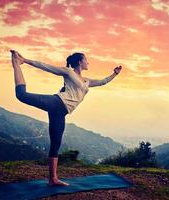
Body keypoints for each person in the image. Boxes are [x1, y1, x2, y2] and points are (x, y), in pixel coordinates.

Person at [10, 50, 122, 186]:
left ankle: (53, 179)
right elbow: (46, 66)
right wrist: (25, 60)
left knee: (55, 144)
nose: (88, 62)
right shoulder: (68, 72)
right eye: (86, 60)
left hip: (61, 112)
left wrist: (114, 74)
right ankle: (16, 63)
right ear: (80, 62)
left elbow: (102, 82)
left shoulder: (87, 81)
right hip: (56, 102)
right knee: (22, 95)